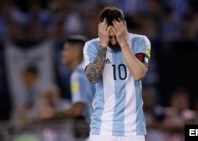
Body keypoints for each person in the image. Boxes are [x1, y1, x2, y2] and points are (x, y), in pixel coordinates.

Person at [83, 6, 151, 141]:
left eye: (116, 36)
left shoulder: (140, 41)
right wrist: (103, 44)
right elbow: (93, 78)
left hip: (133, 130)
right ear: (101, 30)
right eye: (110, 37)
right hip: (102, 129)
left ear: (124, 25)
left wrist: (123, 42)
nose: (114, 41)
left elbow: (138, 74)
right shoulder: (91, 46)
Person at [41, 35, 94, 123]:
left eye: (66, 50)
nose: (62, 53)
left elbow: (78, 110)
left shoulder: (78, 75)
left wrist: (53, 114)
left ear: (76, 53)